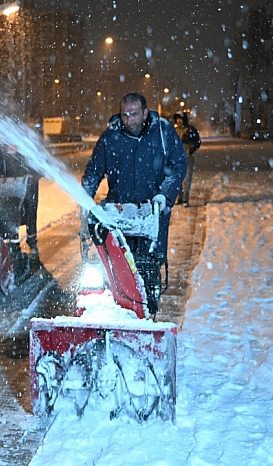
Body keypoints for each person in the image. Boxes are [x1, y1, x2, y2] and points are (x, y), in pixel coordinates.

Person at [82, 92, 186, 315]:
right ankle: (116, 313)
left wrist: (164, 195)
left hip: (152, 214)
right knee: (114, 268)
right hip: (118, 213)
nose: (129, 120)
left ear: (145, 112)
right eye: (125, 114)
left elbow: (178, 166)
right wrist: (85, 198)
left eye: (134, 114)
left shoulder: (163, 132)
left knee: (147, 267)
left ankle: (147, 314)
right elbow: (94, 170)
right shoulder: (111, 136)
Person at [0, 142, 41, 258]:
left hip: (28, 188)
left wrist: (35, 176)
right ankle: (13, 246)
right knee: (9, 216)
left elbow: (40, 164)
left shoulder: (26, 147)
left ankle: (32, 244)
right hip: (8, 189)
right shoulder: (0, 150)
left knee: (30, 216)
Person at [172, 113, 201, 206]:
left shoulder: (190, 130)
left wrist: (191, 149)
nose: (179, 121)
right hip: (176, 159)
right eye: (177, 119)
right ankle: (179, 198)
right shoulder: (174, 130)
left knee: (187, 179)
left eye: (181, 119)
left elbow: (197, 141)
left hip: (188, 159)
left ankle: (185, 199)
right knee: (178, 180)